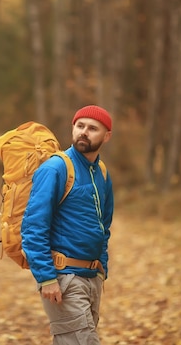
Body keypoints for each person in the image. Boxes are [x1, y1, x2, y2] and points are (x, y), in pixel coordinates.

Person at [21, 105, 114, 345]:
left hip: (92, 278)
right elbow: (33, 227)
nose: (84, 132)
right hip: (64, 279)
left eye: (92, 128)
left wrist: (101, 268)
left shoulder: (101, 172)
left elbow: (104, 225)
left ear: (106, 136)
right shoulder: (56, 168)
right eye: (79, 126)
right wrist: (46, 278)